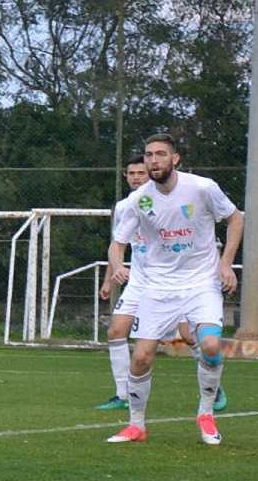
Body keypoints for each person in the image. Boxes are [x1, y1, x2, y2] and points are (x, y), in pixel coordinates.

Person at [106, 133, 243, 446]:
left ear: (175, 159)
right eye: (149, 155)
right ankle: (136, 425)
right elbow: (117, 243)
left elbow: (235, 219)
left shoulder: (202, 188)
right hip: (157, 286)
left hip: (201, 282)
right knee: (141, 357)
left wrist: (226, 264)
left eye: (161, 154)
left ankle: (206, 413)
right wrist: (117, 266)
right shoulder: (138, 200)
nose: (154, 160)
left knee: (210, 345)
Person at [96, 154, 227, 412]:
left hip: (175, 281)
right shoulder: (125, 207)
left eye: (140, 173)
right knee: (115, 331)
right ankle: (122, 394)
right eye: (131, 173)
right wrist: (111, 277)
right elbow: (118, 245)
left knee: (189, 336)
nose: (136, 178)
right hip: (139, 280)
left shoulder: (175, 199)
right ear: (125, 176)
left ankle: (214, 383)